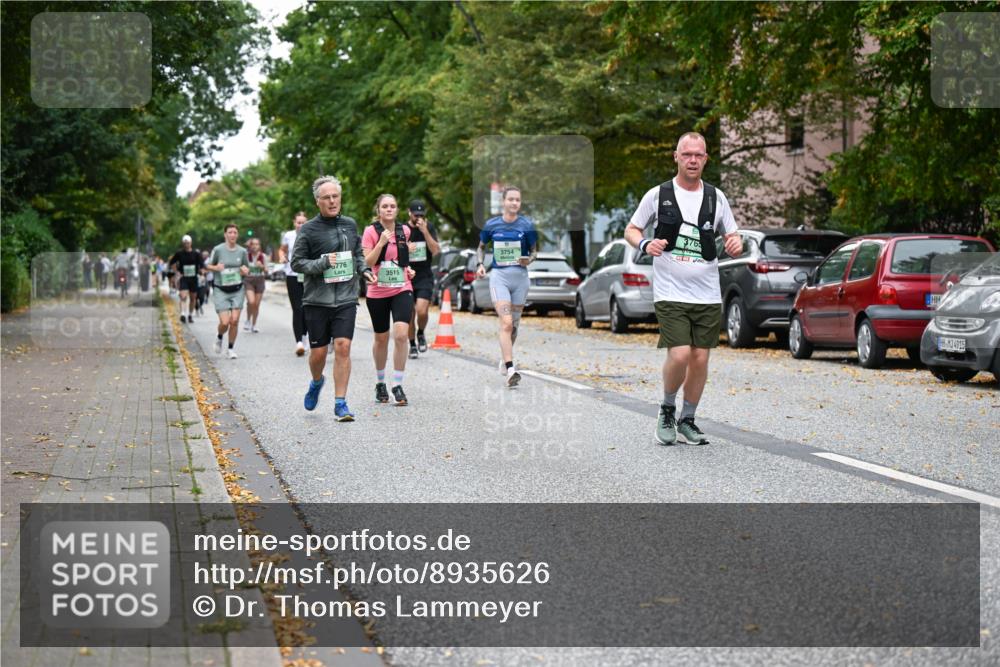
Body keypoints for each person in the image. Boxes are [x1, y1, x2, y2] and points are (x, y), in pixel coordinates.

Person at [624, 131, 742, 446]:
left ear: (706, 159)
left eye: (698, 155)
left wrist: (735, 243)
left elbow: (734, 236)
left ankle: (687, 419)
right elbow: (632, 229)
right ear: (676, 156)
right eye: (686, 154)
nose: (692, 160)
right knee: (679, 355)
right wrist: (646, 243)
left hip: (706, 293)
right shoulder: (658, 195)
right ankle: (666, 409)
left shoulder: (717, 198)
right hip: (670, 291)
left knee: (700, 358)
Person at [291, 176, 373, 421]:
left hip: (346, 297)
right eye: (326, 197)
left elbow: (357, 253)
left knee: (343, 347)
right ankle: (317, 382)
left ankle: (340, 403)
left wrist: (365, 270)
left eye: (335, 196)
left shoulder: (349, 224)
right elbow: (296, 262)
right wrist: (323, 263)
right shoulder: (308, 229)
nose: (332, 201)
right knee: (318, 355)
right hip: (317, 300)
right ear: (318, 202)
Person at [476, 186, 538, 388]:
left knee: (515, 325)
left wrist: (528, 260)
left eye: (517, 200)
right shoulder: (491, 225)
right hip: (499, 278)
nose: (514, 203)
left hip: (520, 279)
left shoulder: (527, 225)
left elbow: (534, 252)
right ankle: (511, 369)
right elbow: (481, 247)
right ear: (503, 201)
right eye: (511, 199)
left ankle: (505, 357)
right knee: (506, 322)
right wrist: (480, 265)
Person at [362, 194, 417, 405]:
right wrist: (381, 243)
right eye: (385, 206)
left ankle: (397, 384)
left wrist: (408, 269)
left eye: (392, 206)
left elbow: (401, 259)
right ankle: (380, 382)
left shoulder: (405, 231)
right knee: (381, 338)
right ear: (379, 210)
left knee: (401, 335)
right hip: (378, 291)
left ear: (397, 210)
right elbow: (367, 262)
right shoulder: (370, 231)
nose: (389, 209)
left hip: (402, 287)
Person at [205, 224, 250, 359]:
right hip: (221, 289)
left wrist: (245, 271)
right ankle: (219, 337)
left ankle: (230, 348)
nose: (232, 235)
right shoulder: (218, 250)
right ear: (225, 234)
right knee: (225, 322)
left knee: (234, 320)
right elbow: (207, 266)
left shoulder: (242, 251)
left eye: (235, 232)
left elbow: (246, 268)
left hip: (237, 289)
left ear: (237, 235)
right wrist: (216, 268)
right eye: (230, 232)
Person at [404, 199, 441, 359]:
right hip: (406, 275)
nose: (418, 217)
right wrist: (406, 247)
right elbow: (394, 252)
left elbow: (436, 250)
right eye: (415, 214)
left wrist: (425, 231)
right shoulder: (403, 229)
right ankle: (412, 344)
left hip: (424, 275)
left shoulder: (429, 227)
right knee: (410, 314)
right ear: (409, 213)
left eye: (421, 214)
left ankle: (421, 333)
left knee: (421, 310)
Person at [280, 211, 309, 356]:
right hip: (292, 275)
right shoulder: (288, 236)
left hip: (308, 276)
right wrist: (282, 257)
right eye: (299, 222)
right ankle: (298, 341)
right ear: (294, 223)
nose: (301, 225)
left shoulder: (311, 234)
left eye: (304, 222)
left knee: (308, 307)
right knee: (297, 308)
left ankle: (305, 336)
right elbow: (282, 250)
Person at [169, 235, 203, 323]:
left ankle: (190, 315)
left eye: (187, 243)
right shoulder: (179, 253)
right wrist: (176, 272)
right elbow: (172, 262)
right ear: (182, 244)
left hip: (193, 278)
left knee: (193, 298)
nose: (186, 245)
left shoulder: (196, 254)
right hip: (183, 277)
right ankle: (183, 314)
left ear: (191, 243)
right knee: (183, 296)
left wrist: (202, 273)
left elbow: (201, 265)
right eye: (184, 243)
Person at [243, 237, 268, 332]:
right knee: (251, 302)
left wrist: (261, 266)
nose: (255, 246)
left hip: (260, 281)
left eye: (257, 244)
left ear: (259, 246)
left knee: (256, 304)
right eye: (253, 244)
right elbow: (242, 267)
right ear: (250, 246)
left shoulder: (263, 256)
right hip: (249, 280)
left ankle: (254, 325)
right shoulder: (246, 255)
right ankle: (248, 320)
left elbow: (267, 270)